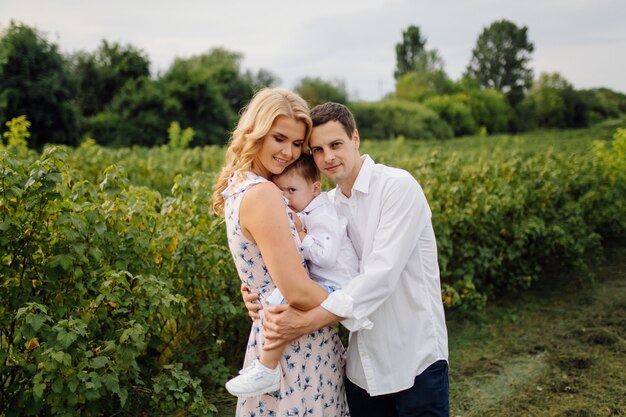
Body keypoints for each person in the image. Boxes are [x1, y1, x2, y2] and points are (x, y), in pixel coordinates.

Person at [244, 102, 450, 417]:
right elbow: (297, 262)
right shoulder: (323, 206)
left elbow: (380, 277)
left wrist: (304, 322)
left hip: (414, 359)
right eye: (317, 149)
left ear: (355, 138)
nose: (328, 157)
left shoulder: (397, 187)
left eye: (336, 144)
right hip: (360, 368)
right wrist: (259, 292)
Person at [212, 89, 349, 416]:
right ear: (255, 133)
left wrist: (256, 291)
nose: (289, 152)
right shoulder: (264, 194)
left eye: (298, 143)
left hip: (275, 334)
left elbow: (260, 268)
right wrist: (352, 301)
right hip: (297, 346)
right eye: (279, 138)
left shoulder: (241, 185)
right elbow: (297, 291)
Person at [225, 153, 360, 397]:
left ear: (315, 188)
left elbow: (325, 256)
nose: (286, 198)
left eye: (291, 190)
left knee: (284, 300)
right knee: (277, 299)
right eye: (281, 191)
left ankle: (267, 368)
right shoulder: (305, 207)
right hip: (323, 284)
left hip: (337, 287)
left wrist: (300, 234)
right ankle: (266, 366)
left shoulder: (323, 214)